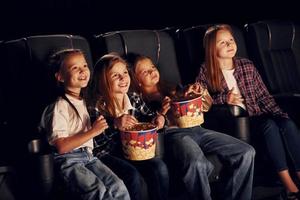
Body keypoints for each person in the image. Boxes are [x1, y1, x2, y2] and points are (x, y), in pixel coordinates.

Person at [128, 54, 256, 200]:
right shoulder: (139, 100)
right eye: (145, 72)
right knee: (196, 163)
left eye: (152, 67)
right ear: (137, 80)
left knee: (246, 152)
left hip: (197, 129)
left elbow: (205, 106)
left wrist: (196, 93)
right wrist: (161, 113)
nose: (152, 72)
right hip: (174, 135)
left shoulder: (173, 87)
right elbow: (143, 130)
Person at [196, 24, 300, 199]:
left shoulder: (247, 65)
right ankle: (290, 187)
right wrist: (224, 99)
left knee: (286, 123)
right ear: (211, 49)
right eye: (223, 42)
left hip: (257, 114)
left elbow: (264, 96)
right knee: (269, 126)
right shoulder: (205, 71)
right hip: (235, 123)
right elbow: (201, 104)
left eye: (231, 40)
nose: (229, 44)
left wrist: (279, 114)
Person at [39, 49, 130, 200]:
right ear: (60, 77)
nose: (82, 70)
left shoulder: (84, 101)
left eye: (85, 66)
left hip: (89, 156)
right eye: (75, 68)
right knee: (98, 192)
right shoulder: (58, 106)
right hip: (69, 160)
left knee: (118, 187)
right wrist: (93, 131)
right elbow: (61, 146)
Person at [88, 52, 169, 200]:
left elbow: (150, 117)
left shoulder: (133, 98)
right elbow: (94, 142)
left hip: (134, 150)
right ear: (103, 81)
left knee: (160, 168)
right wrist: (114, 124)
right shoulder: (97, 105)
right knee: (132, 176)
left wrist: (160, 119)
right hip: (106, 154)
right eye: (115, 75)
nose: (123, 77)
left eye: (125, 72)